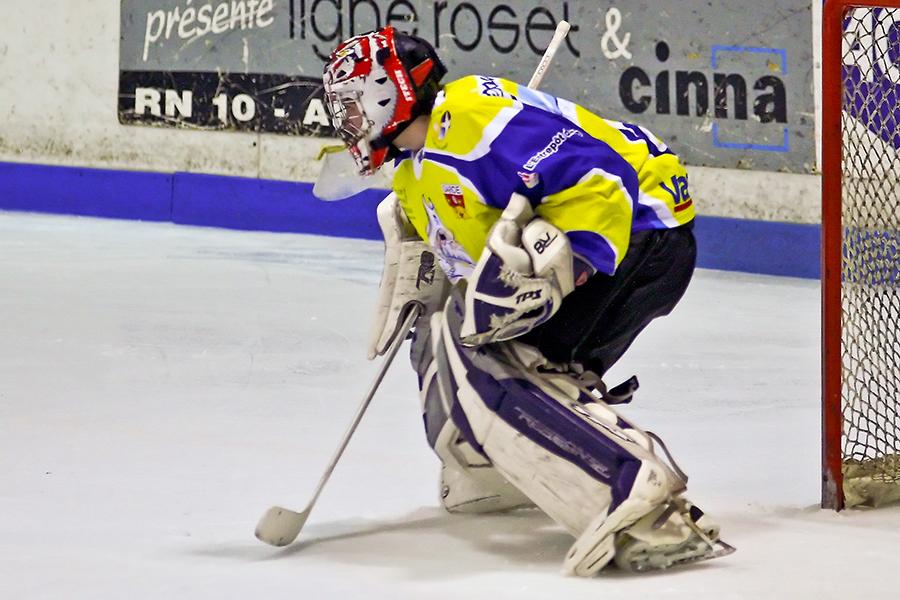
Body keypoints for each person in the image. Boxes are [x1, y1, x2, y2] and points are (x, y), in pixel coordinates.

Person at [322, 26, 731, 575]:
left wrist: (570, 269)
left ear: (387, 91)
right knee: (447, 333)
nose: (345, 121)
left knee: (489, 357)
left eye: (351, 105)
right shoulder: (413, 176)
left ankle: (636, 491)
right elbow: (466, 263)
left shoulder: (466, 117)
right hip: (619, 241)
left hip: (641, 234)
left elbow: (601, 181)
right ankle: (496, 471)